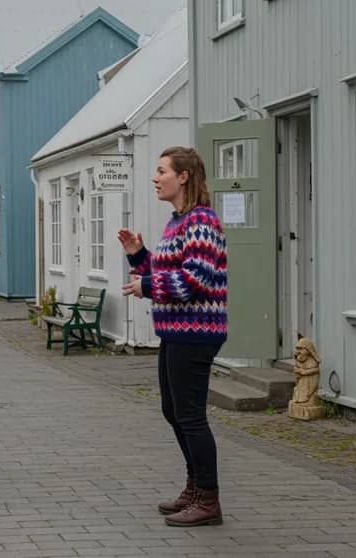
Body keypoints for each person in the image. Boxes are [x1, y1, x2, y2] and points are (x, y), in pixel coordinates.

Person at [117, 145, 227, 527]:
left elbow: (195, 280)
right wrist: (139, 255)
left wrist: (146, 286)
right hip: (176, 331)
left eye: (162, 171)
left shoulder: (202, 222)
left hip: (197, 332)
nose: (155, 177)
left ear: (184, 176)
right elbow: (169, 272)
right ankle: (194, 488)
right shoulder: (178, 221)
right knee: (173, 410)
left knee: (191, 416)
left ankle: (208, 499)